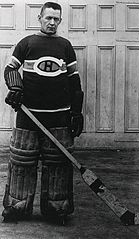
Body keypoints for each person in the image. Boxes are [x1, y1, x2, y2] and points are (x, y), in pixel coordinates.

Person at [2, 2, 84, 223]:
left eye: (56, 19)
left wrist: (76, 112)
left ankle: (57, 210)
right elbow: (10, 69)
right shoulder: (27, 43)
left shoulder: (65, 46)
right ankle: (16, 208)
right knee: (21, 162)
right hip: (29, 116)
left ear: (60, 20)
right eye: (48, 18)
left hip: (58, 117)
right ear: (39, 18)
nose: (52, 23)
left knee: (58, 164)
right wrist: (16, 87)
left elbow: (74, 80)